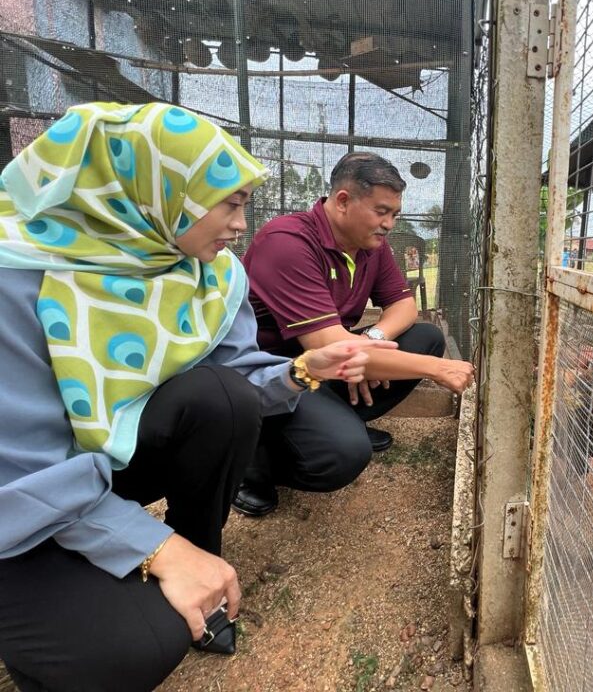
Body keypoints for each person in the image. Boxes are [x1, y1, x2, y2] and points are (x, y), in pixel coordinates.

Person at [0, 102, 394, 692]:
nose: (241, 224)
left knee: (222, 394)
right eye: (230, 203)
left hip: (108, 460)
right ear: (155, 190)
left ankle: (199, 548)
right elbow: (19, 467)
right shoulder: (19, 277)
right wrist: (151, 546)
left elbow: (236, 376)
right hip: (25, 489)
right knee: (130, 648)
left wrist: (301, 370)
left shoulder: (209, 274)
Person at [233, 152, 475, 517]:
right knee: (344, 454)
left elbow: (404, 307)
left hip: (326, 359)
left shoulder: (369, 246)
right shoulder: (287, 241)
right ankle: (252, 467)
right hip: (270, 373)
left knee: (425, 337)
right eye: (382, 212)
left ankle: (343, 418)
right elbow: (325, 347)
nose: (389, 224)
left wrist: (370, 342)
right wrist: (436, 369)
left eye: (394, 214)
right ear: (343, 201)